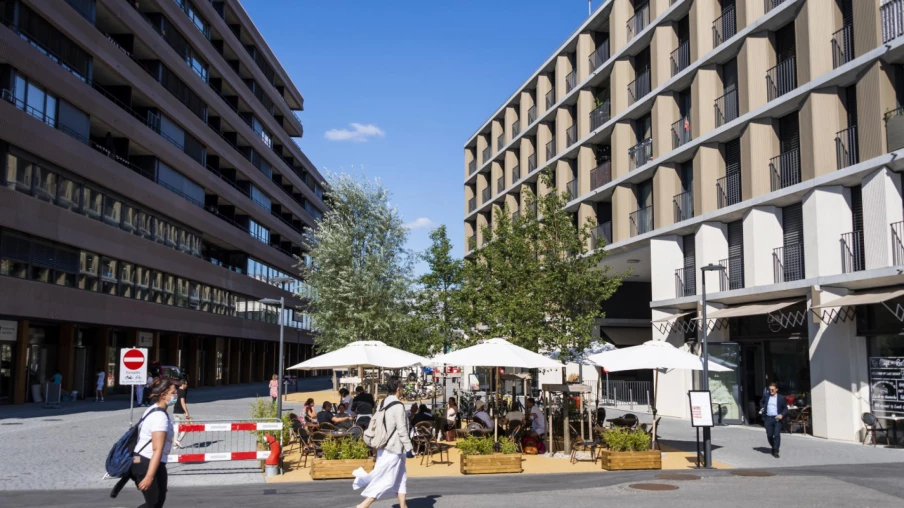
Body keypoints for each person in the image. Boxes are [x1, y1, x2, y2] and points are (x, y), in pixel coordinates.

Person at [352, 375, 412, 508]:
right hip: (394, 447)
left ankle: (403, 505)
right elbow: (401, 429)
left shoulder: (383, 402)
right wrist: (409, 448)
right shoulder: (398, 406)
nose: (402, 390)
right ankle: (363, 505)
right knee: (387, 480)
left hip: (383, 445)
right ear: (398, 388)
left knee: (401, 477)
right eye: (402, 387)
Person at [131, 377, 178, 507]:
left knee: (155, 502)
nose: (176, 395)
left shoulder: (152, 409)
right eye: (173, 392)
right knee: (155, 503)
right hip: (148, 462)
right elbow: (157, 449)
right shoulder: (159, 417)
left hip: (142, 460)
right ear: (163, 395)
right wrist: (150, 477)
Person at [760, 382, 788, 458]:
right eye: (770, 390)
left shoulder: (781, 398)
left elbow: (785, 408)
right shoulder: (766, 396)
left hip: (777, 418)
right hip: (768, 418)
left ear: (776, 389)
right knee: (769, 435)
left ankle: (776, 450)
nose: (771, 391)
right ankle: (773, 446)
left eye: (772, 390)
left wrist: (782, 415)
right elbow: (761, 402)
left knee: (776, 435)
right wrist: (762, 408)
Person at [172, 379, 191, 449]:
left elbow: (174, 401)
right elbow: (182, 402)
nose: (186, 385)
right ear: (183, 384)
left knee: (177, 427)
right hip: (181, 411)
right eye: (186, 384)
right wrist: (186, 412)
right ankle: (178, 440)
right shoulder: (182, 392)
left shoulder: (176, 391)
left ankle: (174, 444)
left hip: (175, 411)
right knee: (187, 426)